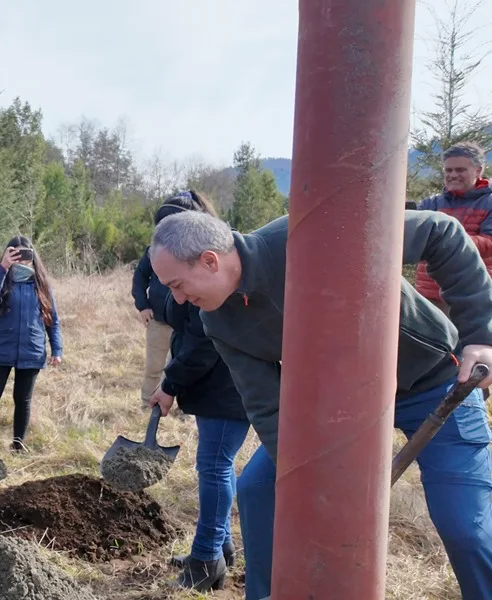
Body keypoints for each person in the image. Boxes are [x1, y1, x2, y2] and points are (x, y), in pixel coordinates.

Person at [148, 209, 492, 600]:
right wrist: (306, 482)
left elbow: (439, 231)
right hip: (337, 404)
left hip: (435, 382)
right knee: (259, 489)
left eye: (177, 284)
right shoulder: (219, 321)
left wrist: (480, 333)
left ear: (210, 260)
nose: (178, 299)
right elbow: (267, 407)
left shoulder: (310, 237)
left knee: (466, 525)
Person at [146, 191, 250, 591]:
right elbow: (182, 324)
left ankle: (206, 559)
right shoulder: (177, 272)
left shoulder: (219, 281)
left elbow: (203, 343)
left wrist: (170, 383)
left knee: (215, 465)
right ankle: (220, 550)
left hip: (226, 384)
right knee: (214, 464)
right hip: (209, 384)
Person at [0, 236, 63, 452]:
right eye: (15, 254)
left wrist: (57, 348)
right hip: (1, 349)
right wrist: (3, 266)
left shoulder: (42, 285)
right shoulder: (2, 279)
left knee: (23, 399)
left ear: (33, 257)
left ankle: (18, 445)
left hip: (32, 349)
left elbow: (53, 320)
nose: (21, 260)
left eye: (25, 255)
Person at [415, 141, 491, 315]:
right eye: (448, 170)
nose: (453, 175)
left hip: (474, 294)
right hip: (430, 295)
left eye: (460, 170)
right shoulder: (431, 203)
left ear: (478, 171)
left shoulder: (489, 203)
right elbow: (415, 238)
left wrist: (447, 240)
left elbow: (490, 243)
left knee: (471, 342)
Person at [133, 219, 174, 409]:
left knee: (185, 366)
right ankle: (147, 405)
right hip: (158, 320)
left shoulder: (193, 248)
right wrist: (143, 306)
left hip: (186, 324)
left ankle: (185, 409)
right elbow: (139, 277)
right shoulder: (154, 251)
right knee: (154, 366)